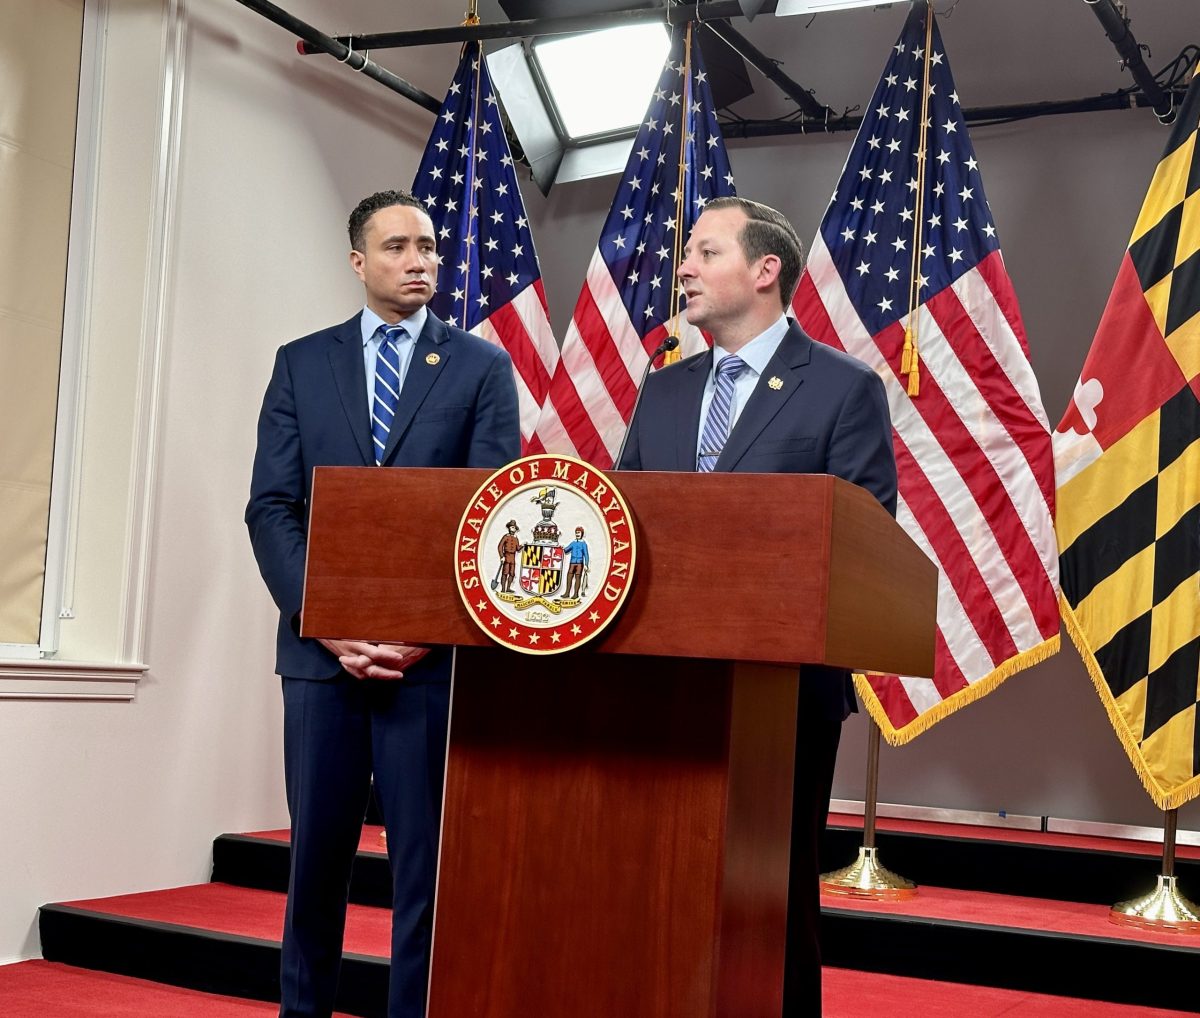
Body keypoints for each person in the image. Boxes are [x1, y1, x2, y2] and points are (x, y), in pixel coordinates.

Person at [618, 196, 896, 1017]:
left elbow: (861, 542)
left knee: (770, 906)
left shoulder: (844, 390)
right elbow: (627, 522)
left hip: (783, 696)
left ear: (765, 269)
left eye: (705, 252)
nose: (685, 268)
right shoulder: (663, 392)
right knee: (661, 893)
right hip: (660, 689)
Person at [246, 189, 521, 1018]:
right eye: (399, 247)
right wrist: (327, 624)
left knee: (423, 876)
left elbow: (490, 516)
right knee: (315, 866)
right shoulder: (302, 361)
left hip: (428, 667)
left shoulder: (479, 366)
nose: (420, 262)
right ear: (359, 261)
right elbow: (272, 508)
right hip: (320, 664)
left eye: (430, 247)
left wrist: (421, 633)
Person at [562, 526, 589, 599]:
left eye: (579, 533)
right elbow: (566, 550)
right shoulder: (573, 543)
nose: (577, 534)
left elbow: (586, 554)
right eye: (576, 532)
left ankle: (576, 594)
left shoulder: (583, 544)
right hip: (572, 562)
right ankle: (567, 593)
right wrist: (562, 547)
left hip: (579, 563)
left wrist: (586, 564)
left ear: (582, 534)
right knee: (569, 577)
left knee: (577, 578)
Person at [497, 520, 521, 593]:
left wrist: (523, 545)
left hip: (513, 558)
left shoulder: (516, 538)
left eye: (514, 527)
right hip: (506, 556)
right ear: (509, 528)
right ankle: (503, 589)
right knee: (505, 573)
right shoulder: (506, 536)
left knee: (512, 574)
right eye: (512, 527)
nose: (513, 529)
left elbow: (517, 549)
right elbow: (500, 546)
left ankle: (508, 588)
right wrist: (502, 556)